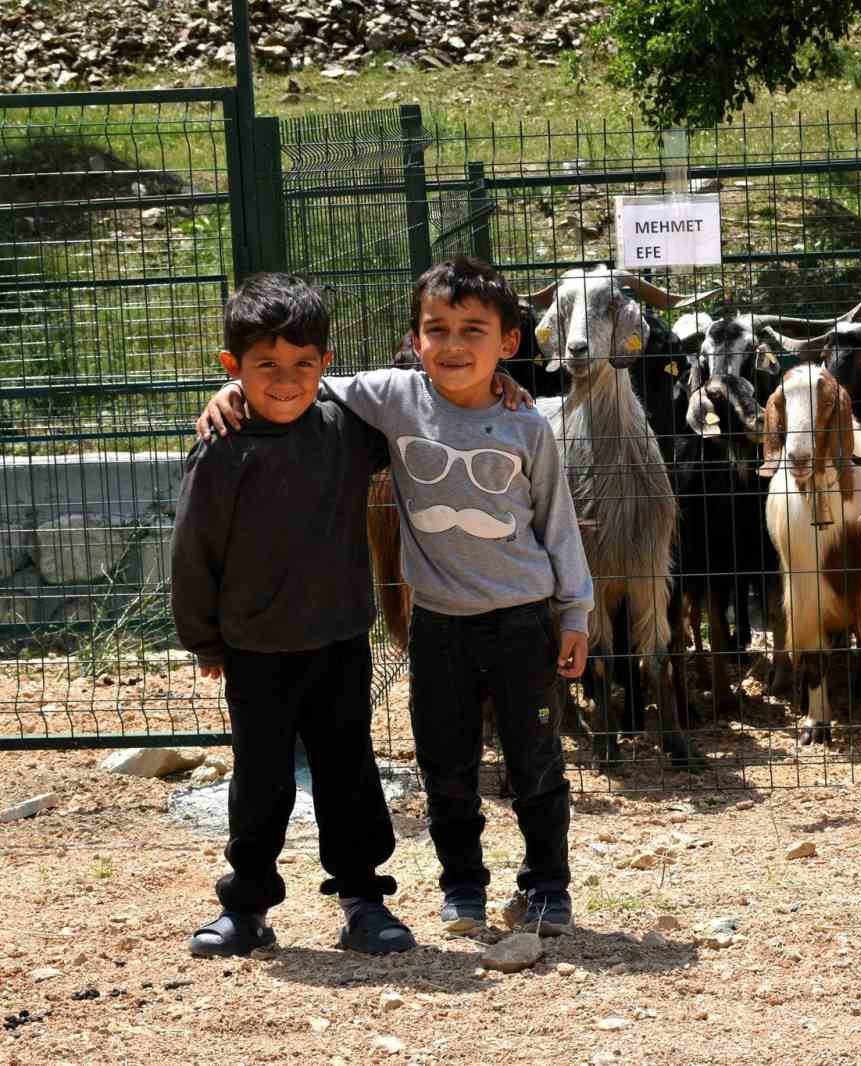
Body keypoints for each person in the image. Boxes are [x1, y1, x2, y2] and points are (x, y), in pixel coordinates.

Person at [197, 256, 593, 938]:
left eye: (473, 330)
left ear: (509, 343)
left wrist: (576, 611)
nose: (453, 345)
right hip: (437, 624)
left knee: (536, 762)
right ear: (414, 340)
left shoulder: (530, 426)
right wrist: (224, 394)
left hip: (525, 619)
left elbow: (558, 524)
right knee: (447, 767)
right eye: (436, 329)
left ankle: (547, 886)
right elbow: (294, 381)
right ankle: (463, 888)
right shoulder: (392, 396)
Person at [172, 273, 415, 958]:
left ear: (325, 365)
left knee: (349, 772)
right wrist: (204, 640)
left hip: (340, 640)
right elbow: (193, 552)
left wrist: (505, 389)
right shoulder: (223, 448)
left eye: (303, 364)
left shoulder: (346, 431)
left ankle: (364, 900)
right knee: (261, 778)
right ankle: (247, 906)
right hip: (254, 650)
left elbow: (416, 398)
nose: (285, 381)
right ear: (232, 368)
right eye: (264, 367)